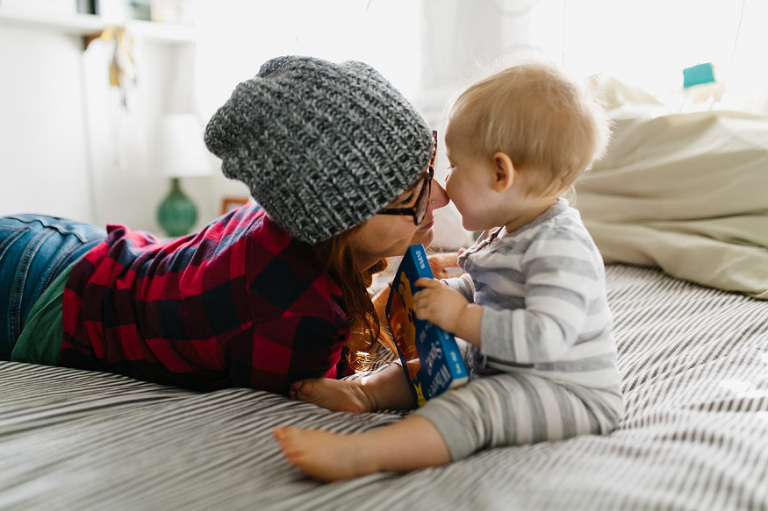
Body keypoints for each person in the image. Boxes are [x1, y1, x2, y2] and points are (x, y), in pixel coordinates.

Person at [0, 55, 449, 395]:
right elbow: (330, 399)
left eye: (427, 173)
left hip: (62, 251)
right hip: (38, 299)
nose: (442, 198)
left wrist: (385, 296)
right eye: (412, 197)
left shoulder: (278, 225)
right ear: (338, 218)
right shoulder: (295, 312)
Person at [273, 58, 625, 481]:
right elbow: (491, 292)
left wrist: (459, 317)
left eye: (454, 166)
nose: (445, 185)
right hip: (500, 362)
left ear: (501, 173)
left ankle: (368, 453)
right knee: (432, 363)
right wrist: (447, 290)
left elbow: (543, 338)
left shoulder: (561, 247)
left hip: (565, 392)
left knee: (477, 406)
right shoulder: (509, 229)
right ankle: (365, 393)